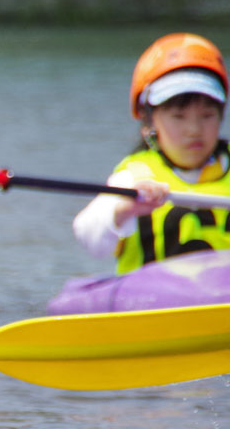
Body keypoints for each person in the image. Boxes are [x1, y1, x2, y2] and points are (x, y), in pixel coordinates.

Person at [73, 32, 229, 273]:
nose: (194, 130)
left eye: (207, 116)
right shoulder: (133, 177)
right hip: (152, 306)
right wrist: (126, 209)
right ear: (149, 120)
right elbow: (89, 237)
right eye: (178, 117)